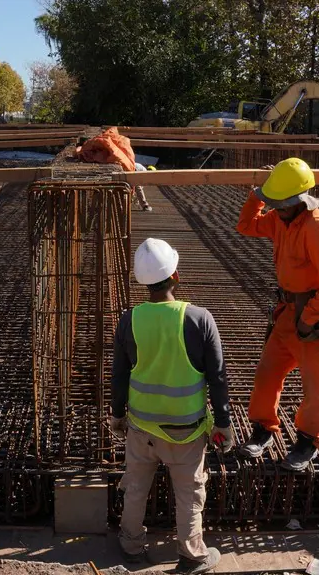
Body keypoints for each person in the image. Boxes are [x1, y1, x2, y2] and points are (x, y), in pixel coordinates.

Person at [111, 238, 233, 575]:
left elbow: (119, 375)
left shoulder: (130, 320)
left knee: (135, 487)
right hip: (186, 433)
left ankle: (131, 545)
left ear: (142, 282)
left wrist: (117, 415)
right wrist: (224, 422)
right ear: (175, 275)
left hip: (141, 429)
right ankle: (192, 554)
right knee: (189, 493)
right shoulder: (199, 319)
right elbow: (218, 377)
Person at [235, 158, 319, 470]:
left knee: (315, 388)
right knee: (267, 374)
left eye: (281, 204)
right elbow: (245, 225)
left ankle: (308, 441)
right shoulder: (279, 219)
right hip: (287, 313)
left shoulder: (316, 228)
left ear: (301, 200)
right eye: (275, 204)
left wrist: (309, 318)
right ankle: (262, 430)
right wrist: (258, 195)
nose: (277, 210)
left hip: (315, 319)